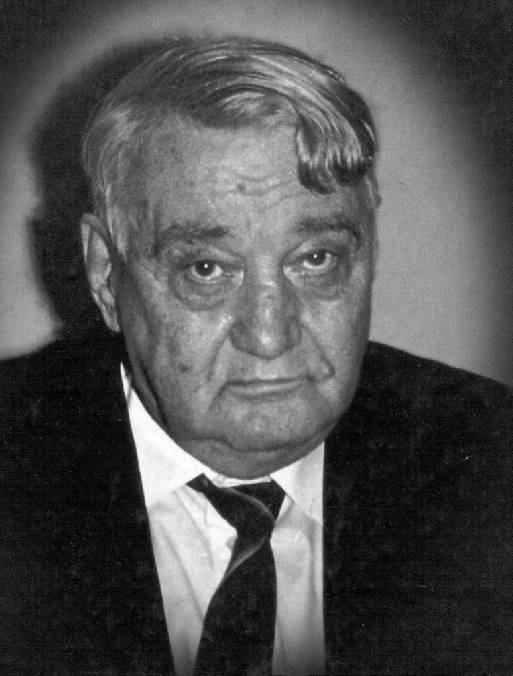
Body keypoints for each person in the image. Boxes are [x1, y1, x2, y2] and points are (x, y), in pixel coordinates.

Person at [1, 35, 513, 675]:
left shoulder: (491, 465)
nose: (270, 336)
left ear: (370, 253)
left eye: (316, 259)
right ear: (106, 275)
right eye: (207, 269)